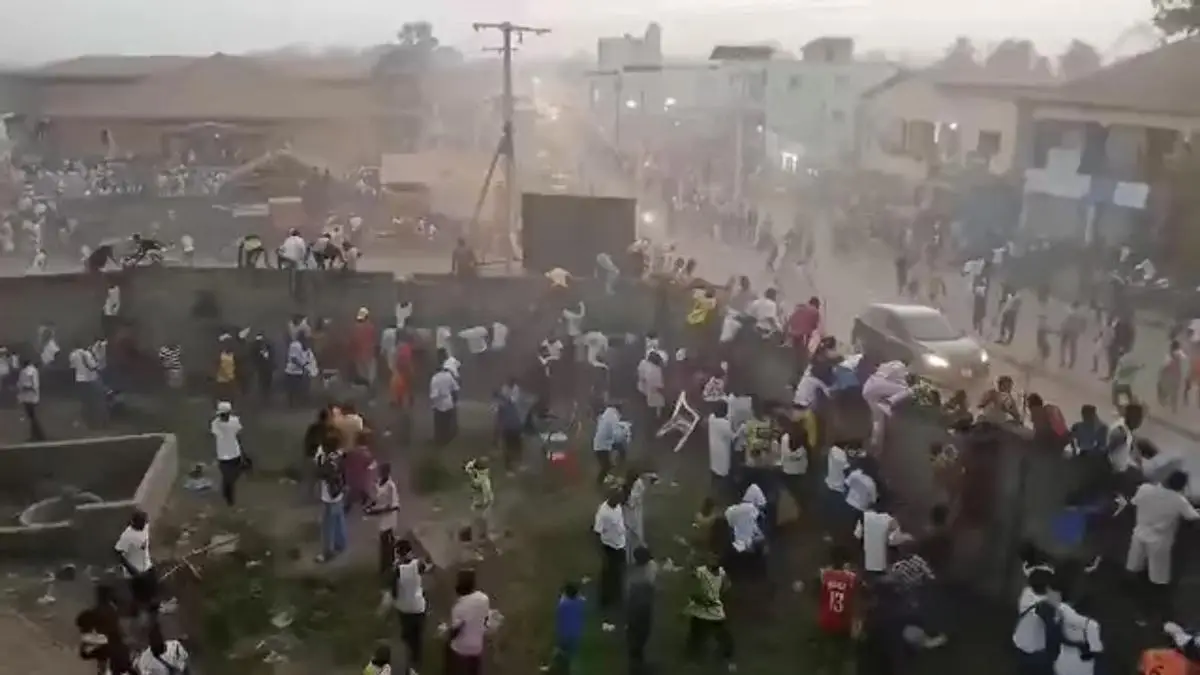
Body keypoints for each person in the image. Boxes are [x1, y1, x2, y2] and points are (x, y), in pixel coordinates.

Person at [1126, 471, 1200, 601]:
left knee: (1134, 567)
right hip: (1159, 541)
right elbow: (1193, 517)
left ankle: (1132, 595)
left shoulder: (1145, 488)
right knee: (1158, 576)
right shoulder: (1179, 500)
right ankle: (1154, 601)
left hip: (1139, 534)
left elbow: (1134, 502)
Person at [684, 555, 735, 671]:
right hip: (701, 609)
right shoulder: (701, 571)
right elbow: (692, 576)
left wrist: (718, 596)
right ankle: (693, 660)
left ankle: (726, 660)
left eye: (715, 560)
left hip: (714, 609)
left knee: (723, 636)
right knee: (696, 636)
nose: (713, 562)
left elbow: (727, 586)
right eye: (711, 559)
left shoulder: (721, 572)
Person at [814, 546, 859, 675]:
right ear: (846, 563)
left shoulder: (824, 575)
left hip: (826, 620)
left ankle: (825, 668)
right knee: (847, 653)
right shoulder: (851, 578)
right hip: (844, 621)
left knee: (828, 650)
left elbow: (816, 592)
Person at [391, 539, 429, 673]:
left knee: (407, 637)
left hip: (404, 608)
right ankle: (417, 661)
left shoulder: (397, 570)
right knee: (418, 636)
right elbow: (425, 569)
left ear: (398, 554)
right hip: (418, 606)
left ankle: (408, 662)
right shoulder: (418, 564)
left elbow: (394, 593)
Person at [1013, 568, 1060, 675]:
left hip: (1020, 645)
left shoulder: (1026, 593)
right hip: (1037, 653)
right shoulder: (1048, 605)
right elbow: (1053, 631)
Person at [447, 569, 490, 675]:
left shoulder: (459, 607)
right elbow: (485, 619)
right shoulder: (484, 599)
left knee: (448, 649)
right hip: (477, 646)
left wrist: (447, 633)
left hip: (462, 648)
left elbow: (455, 631)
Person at [114, 510, 157, 616]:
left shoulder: (145, 526)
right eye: (141, 523)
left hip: (147, 566)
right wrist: (132, 570)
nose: (144, 524)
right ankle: (135, 613)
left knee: (152, 590)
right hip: (134, 572)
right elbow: (117, 553)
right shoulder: (127, 536)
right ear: (135, 523)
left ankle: (152, 611)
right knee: (138, 595)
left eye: (145, 522)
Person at [594, 490, 627, 615]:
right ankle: (605, 600)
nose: (619, 503)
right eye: (618, 500)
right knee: (608, 572)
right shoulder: (603, 512)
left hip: (620, 543)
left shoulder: (617, 506)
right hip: (610, 546)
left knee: (619, 571)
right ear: (611, 499)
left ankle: (617, 596)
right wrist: (600, 551)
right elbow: (597, 531)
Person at [626, 546, 657, 675]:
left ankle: (637, 660)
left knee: (637, 635)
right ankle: (636, 665)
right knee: (641, 634)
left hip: (635, 609)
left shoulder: (633, 573)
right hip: (641, 609)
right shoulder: (644, 574)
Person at [1054, 595, 1102, 675]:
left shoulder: (1064, 614)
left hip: (1062, 663)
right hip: (1082, 667)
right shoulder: (1092, 626)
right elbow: (1096, 650)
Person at [211, 401, 246, 506]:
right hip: (223, 455)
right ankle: (229, 499)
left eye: (225, 414)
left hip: (235, 452)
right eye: (222, 414)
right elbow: (216, 434)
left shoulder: (234, 421)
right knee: (228, 477)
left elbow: (239, 433)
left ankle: (226, 491)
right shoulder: (215, 423)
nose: (224, 417)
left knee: (233, 476)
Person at [368, 462, 400, 575]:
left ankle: (388, 566)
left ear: (387, 472)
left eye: (382, 471)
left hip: (389, 517)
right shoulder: (379, 483)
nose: (380, 473)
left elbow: (391, 506)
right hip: (382, 517)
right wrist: (371, 505)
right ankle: (385, 567)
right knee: (384, 542)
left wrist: (374, 512)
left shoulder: (391, 486)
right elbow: (377, 498)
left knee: (387, 542)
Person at [552, 581, 586, 674]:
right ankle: (572, 670)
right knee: (573, 656)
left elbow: (559, 620)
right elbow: (580, 598)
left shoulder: (562, 605)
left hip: (564, 635)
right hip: (576, 634)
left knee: (563, 654)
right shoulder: (579, 603)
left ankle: (562, 668)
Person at [593, 402, 628, 486]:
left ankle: (620, 467)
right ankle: (599, 483)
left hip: (602, 442)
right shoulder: (613, 417)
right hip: (602, 445)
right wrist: (624, 434)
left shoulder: (607, 415)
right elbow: (615, 433)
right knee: (607, 466)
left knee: (621, 450)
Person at [707, 400, 735, 498]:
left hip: (713, 450)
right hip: (722, 452)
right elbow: (733, 437)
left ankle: (712, 493)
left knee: (714, 474)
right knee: (721, 475)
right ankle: (719, 496)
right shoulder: (724, 424)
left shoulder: (711, 419)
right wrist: (741, 429)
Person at [430, 362, 460, 447]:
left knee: (439, 425)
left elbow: (434, 395)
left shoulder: (435, 379)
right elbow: (456, 388)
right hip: (448, 402)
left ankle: (439, 441)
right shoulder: (448, 376)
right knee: (446, 423)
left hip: (439, 405)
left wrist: (433, 403)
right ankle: (447, 440)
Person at [16, 356, 44, 441]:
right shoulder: (23, 371)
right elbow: (20, 383)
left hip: (31, 396)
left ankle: (37, 435)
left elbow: (34, 385)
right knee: (31, 416)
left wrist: (26, 387)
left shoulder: (32, 371)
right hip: (26, 397)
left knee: (32, 416)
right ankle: (36, 435)